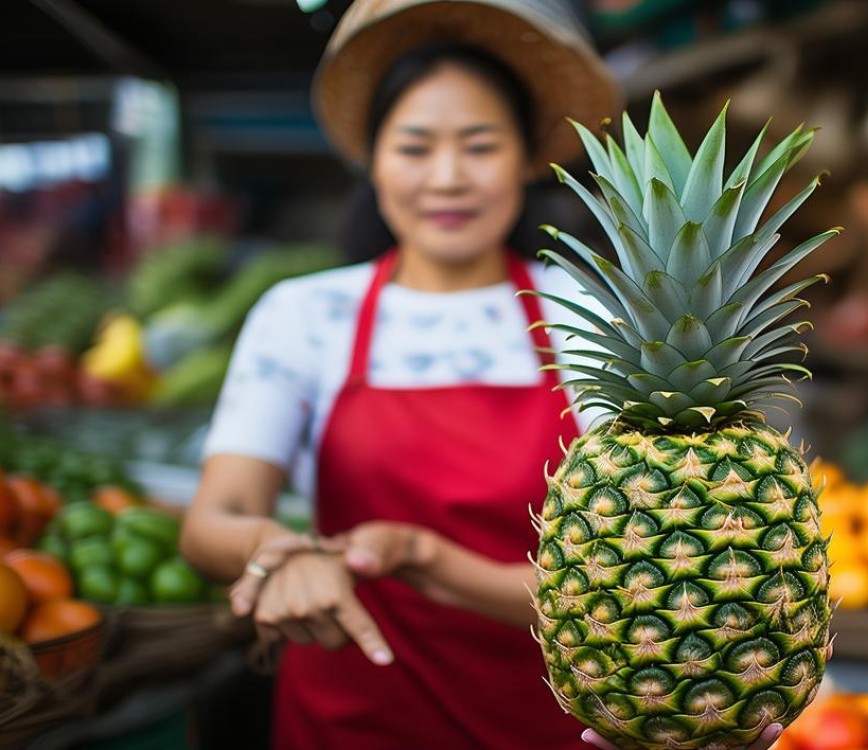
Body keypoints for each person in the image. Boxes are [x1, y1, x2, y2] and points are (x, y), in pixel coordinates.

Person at [179, 1, 625, 747]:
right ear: (373, 161)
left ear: (526, 158)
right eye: (414, 148)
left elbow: (622, 579)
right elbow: (214, 518)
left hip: (551, 719)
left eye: (480, 146)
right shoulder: (305, 313)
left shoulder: (584, 314)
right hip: (348, 722)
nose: (447, 178)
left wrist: (423, 556)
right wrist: (278, 553)